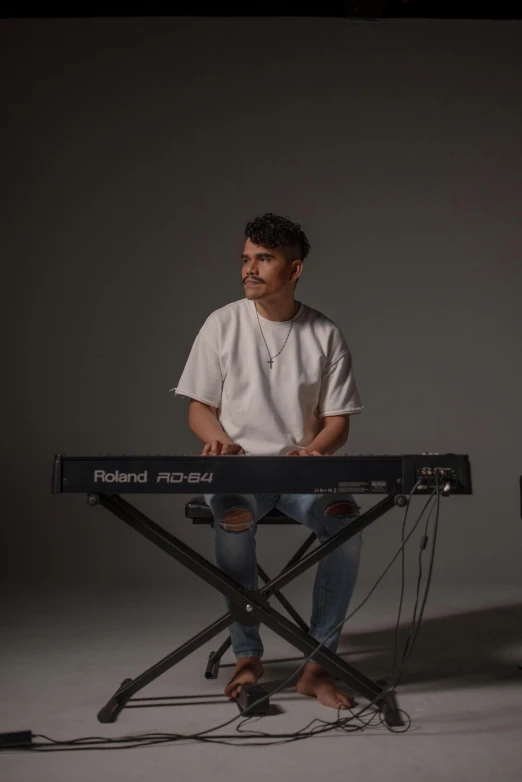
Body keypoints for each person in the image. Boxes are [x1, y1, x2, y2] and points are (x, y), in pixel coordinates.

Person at [173, 213, 364, 709]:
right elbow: (200, 406)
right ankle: (247, 655)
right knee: (234, 516)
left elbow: (338, 421)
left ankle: (319, 663)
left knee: (346, 520)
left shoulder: (325, 333)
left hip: (302, 476)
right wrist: (218, 441)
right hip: (240, 474)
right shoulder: (222, 323)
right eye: (246, 258)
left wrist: (315, 450)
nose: (249, 269)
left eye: (264, 259)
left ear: (294, 269)